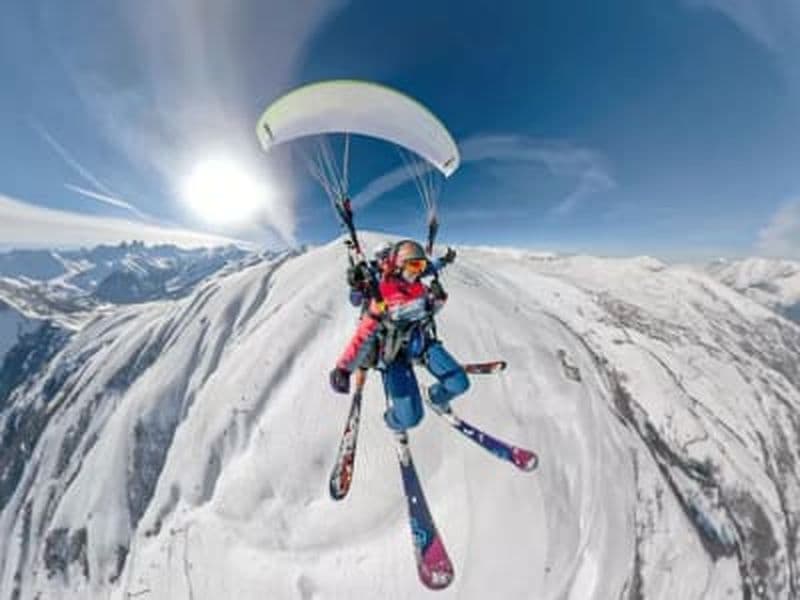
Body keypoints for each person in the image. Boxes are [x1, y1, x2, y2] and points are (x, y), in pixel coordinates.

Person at [330, 240, 467, 431]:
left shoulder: (419, 286)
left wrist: (439, 298)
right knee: (411, 417)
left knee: (459, 383)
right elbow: (364, 332)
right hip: (394, 354)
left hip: (421, 344)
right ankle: (393, 422)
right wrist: (343, 368)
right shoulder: (381, 290)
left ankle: (434, 397)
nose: (419, 271)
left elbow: (429, 311)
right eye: (415, 265)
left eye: (421, 265)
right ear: (397, 263)